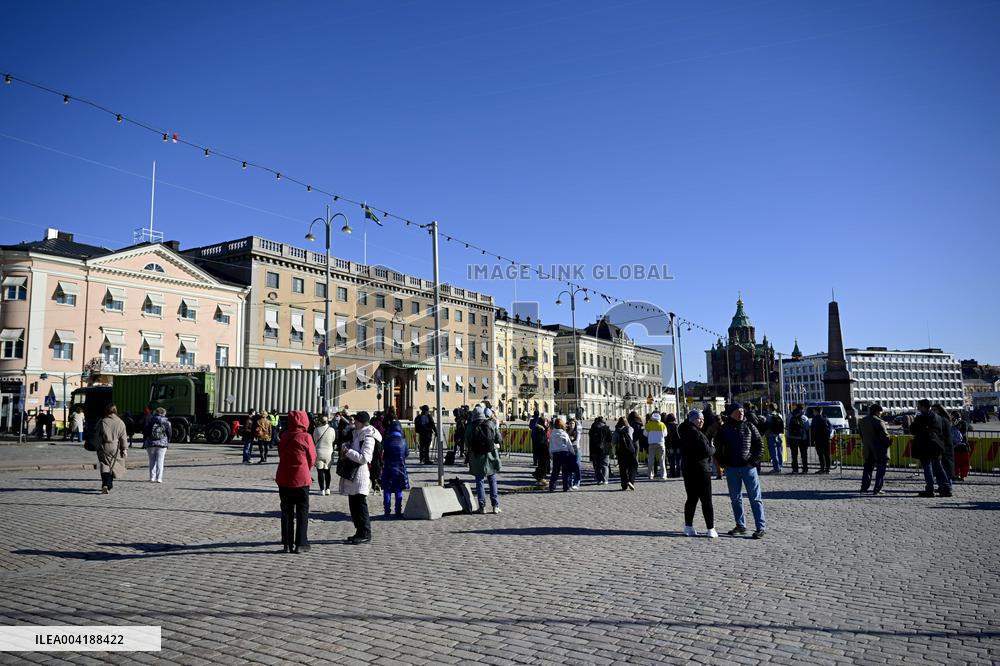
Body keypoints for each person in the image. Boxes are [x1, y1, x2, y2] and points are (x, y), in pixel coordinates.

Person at [715, 403, 766, 539]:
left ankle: (760, 527)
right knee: (735, 499)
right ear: (731, 413)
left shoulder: (750, 426)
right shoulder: (724, 429)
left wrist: (753, 462)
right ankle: (740, 525)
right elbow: (717, 447)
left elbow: (760, 445)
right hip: (731, 468)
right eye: (738, 411)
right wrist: (723, 463)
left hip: (748, 468)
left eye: (742, 411)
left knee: (755, 498)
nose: (741, 413)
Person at [275, 410, 317, 553]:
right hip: (301, 479)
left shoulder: (284, 436)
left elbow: (281, 454)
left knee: (286, 512)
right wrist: (307, 468)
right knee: (302, 511)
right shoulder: (306, 437)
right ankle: (301, 543)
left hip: (284, 478)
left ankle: (287, 544)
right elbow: (312, 457)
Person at [340, 411, 379, 544]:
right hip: (353, 474)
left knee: (360, 505)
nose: (354, 422)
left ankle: (365, 533)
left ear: (361, 422)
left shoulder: (368, 436)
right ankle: (359, 531)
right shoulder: (357, 433)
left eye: (356, 420)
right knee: (353, 505)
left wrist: (348, 451)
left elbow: (365, 458)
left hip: (361, 474)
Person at [679, 410, 717, 538]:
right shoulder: (695, 433)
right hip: (701, 470)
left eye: (702, 419)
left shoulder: (684, 431)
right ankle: (710, 528)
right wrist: (713, 448)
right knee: (706, 500)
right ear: (692, 419)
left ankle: (688, 527)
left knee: (691, 499)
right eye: (698, 418)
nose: (701, 421)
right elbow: (706, 451)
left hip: (688, 470)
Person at [466, 404, 503, 513]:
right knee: (492, 480)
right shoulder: (490, 424)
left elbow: (467, 443)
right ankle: (495, 506)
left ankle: (482, 507)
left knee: (479, 481)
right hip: (490, 456)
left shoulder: (470, 426)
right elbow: (499, 439)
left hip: (477, 457)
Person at [911, 399, 951, 498]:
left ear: (923, 407)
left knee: (927, 467)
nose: (917, 407)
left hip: (925, 445)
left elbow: (913, 430)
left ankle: (930, 489)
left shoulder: (921, 417)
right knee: (938, 466)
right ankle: (946, 487)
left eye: (919, 406)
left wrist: (913, 422)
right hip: (936, 445)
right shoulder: (938, 417)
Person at [380, 409, 409, 517]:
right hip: (400, 467)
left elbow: (383, 454)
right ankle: (398, 510)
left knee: (387, 490)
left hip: (388, 467)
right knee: (398, 489)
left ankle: (387, 511)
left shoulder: (386, 441)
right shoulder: (403, 441)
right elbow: (406, 454)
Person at [95, 403, 128, 494]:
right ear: (115, 411)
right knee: (113, 465)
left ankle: (106, 484)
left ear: (106, 411)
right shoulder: (120, 422)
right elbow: (123, 437)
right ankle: (108, 485)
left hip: (104, 446)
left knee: (105, 465)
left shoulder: (102, 421)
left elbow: (97, 434)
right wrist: (124, 449)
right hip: (115, 447)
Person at [858, 404, 891, 495]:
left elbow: (861, 435)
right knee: (880, 470)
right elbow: (885, 436)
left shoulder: (862, 421)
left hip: (868, 448)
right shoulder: (879, 421)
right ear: (877, 412)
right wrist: (888, 443)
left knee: (867, 469)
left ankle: (864, 487)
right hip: (879, 449)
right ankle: (877, 488)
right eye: (880, 412)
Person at [142, 407, 172, 483]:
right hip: (162, 444)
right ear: (164, 413)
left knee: (152, 461)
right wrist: (167, 441)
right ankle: (159, 478)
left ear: (155, 412)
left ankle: (152, 477)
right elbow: (169, 433)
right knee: (160, 461)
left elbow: (146, 432)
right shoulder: (167, 422)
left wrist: (146, 440)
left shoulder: (150, 420)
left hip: (151, 443)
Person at [548, 418, 576, 492]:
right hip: (564, 453)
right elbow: (569, 444)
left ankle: (552, 487)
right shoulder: (564, 433)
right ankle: (566, 487)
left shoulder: (552, 434)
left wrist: (551, 454)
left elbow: (550, 445)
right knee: (565, 472)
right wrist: (573, 453)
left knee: (555, 471)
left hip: (556, 453)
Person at [931, 404, 956, 482]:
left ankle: (946, 485)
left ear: (939, 410)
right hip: (943, 445)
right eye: (932, 410)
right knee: (944, 467)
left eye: (934, 410)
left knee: (944, 467)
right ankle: (944, 484)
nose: (932, 411)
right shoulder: (943, 419)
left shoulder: (942, 419)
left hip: (944, 446)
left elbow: (940, 433)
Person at [312, 414, 336, 495]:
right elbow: (333, 439)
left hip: (319, 451)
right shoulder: (332, 430)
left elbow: (315, 440)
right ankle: (328, 489)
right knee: (327, 471)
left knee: (320, 472)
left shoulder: (316, 430)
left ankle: (322, 489)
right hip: (329, 452)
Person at [613, 417, 637, 490]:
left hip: (621, 451)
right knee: (632, 466)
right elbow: (631, 438)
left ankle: (624, 485)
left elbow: (613, 442)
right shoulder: (629, 429)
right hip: (630, 450)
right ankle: (631, 481)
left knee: (622, 468)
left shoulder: (617, 430)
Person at [785, 405, 809, 474]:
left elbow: (787, 425)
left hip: (792, 437)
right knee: (804, 454)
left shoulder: (790, 416)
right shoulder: (804, 417)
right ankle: (805, 469)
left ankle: (795, 469)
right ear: (802, 409)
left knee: (794, 455)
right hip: (802, 438)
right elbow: (807, 427)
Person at [809, 406, 833, 474]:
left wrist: (812, 440)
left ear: (816, 411)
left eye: (814, 411)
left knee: (821, 455)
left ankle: (822, 468)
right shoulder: (825, 418)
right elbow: (831, 427)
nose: (813, 413)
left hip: (818, 439)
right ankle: (827, 469)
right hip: (826, 439)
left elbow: (813, 430)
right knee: (827, 454)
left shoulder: (815, 419)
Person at [588, 416, 612, 485]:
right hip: (605, 449)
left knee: (597, 466)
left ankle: (599, 479)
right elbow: (610, 438)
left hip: (595, 448)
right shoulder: (606, 428)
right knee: (605, 465)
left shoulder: (593, 428)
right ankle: (605, 480)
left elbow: (590, 437)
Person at [644, 412, 667, 480]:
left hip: (651, 443)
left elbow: (645, 434)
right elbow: (665, 434)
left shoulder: (649, 424)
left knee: (651, 460)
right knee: (662, 460)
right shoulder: (662, 424)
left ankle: (650, 475)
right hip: (661, 443)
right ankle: (663, 475)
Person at [530, 411, 551, 486]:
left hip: (540, 449)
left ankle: (538, 475)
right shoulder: (540, 430)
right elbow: (542, 441)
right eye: (545, 421)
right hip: (542, 449)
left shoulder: (540, 428)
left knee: (541, 464)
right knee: (543, 465)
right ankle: (541, 478)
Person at [764, 405, 785, 474]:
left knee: (773, 452)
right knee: (779, 451)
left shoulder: (768, 416)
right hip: (779, 435)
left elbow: (766, 426)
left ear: (770, 408)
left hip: (771, 435)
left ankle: (776, 468)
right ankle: (780, 465)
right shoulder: (780, 415)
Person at [951, 410, 971, 481]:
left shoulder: (963, 423)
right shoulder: (951, 423)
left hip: (962, 445)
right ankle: (957, 475)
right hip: (955, 446)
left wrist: (956, 425)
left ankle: (962, 476)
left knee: (963, 462)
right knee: (957, 462)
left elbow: (963, 432)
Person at [566, 418, 583, 489]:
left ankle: (577, 483)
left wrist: (576, 421)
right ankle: (569, 483)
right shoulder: (566, 431)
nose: (571, 425)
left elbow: (580, 427)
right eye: (570, 423)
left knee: (577, 465)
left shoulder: (577, 431)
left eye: (573, 423)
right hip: (569, 449)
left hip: (576, 449)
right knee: (569, 466)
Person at [665, 414, 682, 478]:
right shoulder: (676, 425)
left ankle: (672, 473)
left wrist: (667, 445)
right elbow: (678, 435)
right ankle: (678, 473)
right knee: (678, 460)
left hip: (670, 445)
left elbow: (666, 437)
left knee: (672, 460)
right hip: (677, 444)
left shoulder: (666, 426)